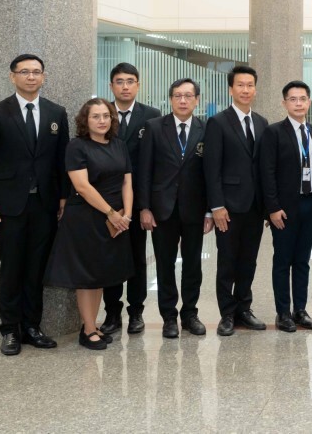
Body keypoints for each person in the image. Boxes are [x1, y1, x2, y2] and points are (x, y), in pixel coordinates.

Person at [0, 54, 70, 355]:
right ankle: (9, 330)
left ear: (43, 76)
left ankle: (32, 327)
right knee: (12, 267)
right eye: (25, 72)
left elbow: (62, 160)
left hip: (44, 204)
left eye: (36, 72)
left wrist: (63, 197)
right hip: (8, 206)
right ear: (12, 76)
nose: (31, 77)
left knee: (36, 268)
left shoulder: (56, 112)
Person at [45, 99, 134, 350]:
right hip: (86, 218)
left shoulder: (119, 145)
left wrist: (126, 214)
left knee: (100, 275)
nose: (102, 121)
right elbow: (82, 186)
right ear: (85, 120)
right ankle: (87, 330)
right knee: (87, 276)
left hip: (115, 219)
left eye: (106, 116)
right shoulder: (77, 146)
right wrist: (111, 213)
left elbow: (127, 181)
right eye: (95, 116)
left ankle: (93, 325)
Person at [137, 78, 211, 339]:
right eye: (178, 95)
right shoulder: (155, 127)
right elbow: (144, 171)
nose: (183, 100)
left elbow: (210, 173)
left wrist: (209, 211)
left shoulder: (206, 129)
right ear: (170, 99)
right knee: (164, 264)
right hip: (161, 209)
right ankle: (168, 316)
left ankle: (190, 314)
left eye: (188, 96)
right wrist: (144, 207)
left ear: (197, 100)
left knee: (193, 265)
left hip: (194, 209)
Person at [204, 65, 270, 337]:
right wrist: (216, 206)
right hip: (228, 207)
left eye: (250, 85)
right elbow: (211, 168)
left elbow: (264, 167)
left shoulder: (262, 123)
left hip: (255, 207)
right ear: (231, 89)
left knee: (249, 261)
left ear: (255, 89)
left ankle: (244, 307)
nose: (245, 90)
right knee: (227, 262)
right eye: (240, 85)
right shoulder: (218, 122)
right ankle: (227, 314)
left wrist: (268, 206)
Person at [259, 80, 312, 333]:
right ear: (284, 103)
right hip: (284, 209)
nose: (298, 103)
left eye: (302, 99)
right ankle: (283, 312)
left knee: (302, 260)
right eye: (293, 99)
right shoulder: (274, 132)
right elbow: (266, 173)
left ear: (309, 102)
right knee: (283, 260)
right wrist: (272, 208)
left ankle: (300, 309)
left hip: (310, 204)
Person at [100, 62, 162, 337]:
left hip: (138, 201)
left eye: (130, 81)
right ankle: (112, 312)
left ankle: (136, 311)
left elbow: (155, 162)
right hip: (107, 201)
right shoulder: (102, 113)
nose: (125, 87)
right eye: (119, 81)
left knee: (138, 257)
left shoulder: (152, 116)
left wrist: (147, 204)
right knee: (110, 256)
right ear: (111, 85)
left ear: (138, 85)